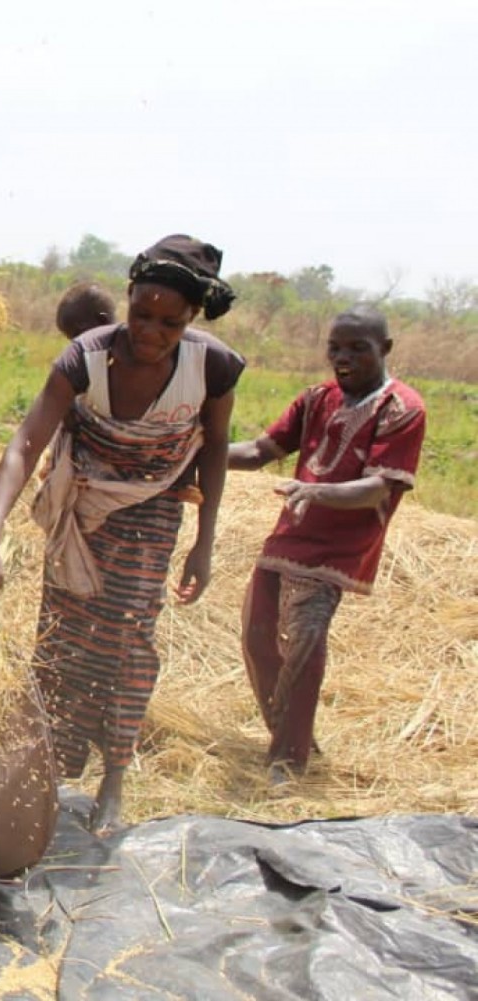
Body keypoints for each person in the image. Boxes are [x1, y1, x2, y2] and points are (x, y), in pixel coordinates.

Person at [0, 234, 243, 835]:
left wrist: (205, 541)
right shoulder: (85, 357)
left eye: (170, 322)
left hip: (152, 508)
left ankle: (115, 776)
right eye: (142, 314)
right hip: (80, 502)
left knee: (127, 636)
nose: (151, 332)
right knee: (61, 636)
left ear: (191, 319)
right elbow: (25, 443)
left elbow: (214, 448)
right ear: (128, 298)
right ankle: (52, 768)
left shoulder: (210, 366)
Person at [228, 305, 425, 781]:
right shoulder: (317, 399)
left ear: (386, 349)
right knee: (258, 638)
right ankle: (292, 736)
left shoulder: (401, 408)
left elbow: (379, 486)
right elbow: (259, 452)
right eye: (335, 347)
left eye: (359, 348)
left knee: (306, 641)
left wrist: (315, 490)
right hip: (290, 533)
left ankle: (287, 760)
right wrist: (198, 449)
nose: (343, 357)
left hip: (337, 547)